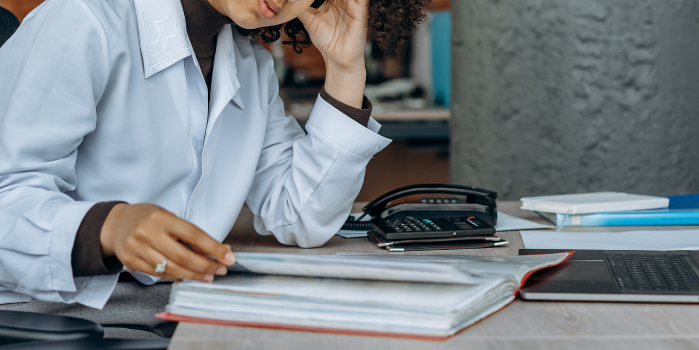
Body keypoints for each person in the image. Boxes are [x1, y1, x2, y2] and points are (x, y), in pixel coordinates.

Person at [0, 0, 430, 338]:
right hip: (52, 320)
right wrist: (108, 228)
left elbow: (301, 215)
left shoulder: (251, 68)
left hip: (179, 314)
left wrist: (345, 68)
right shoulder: (83, 21)